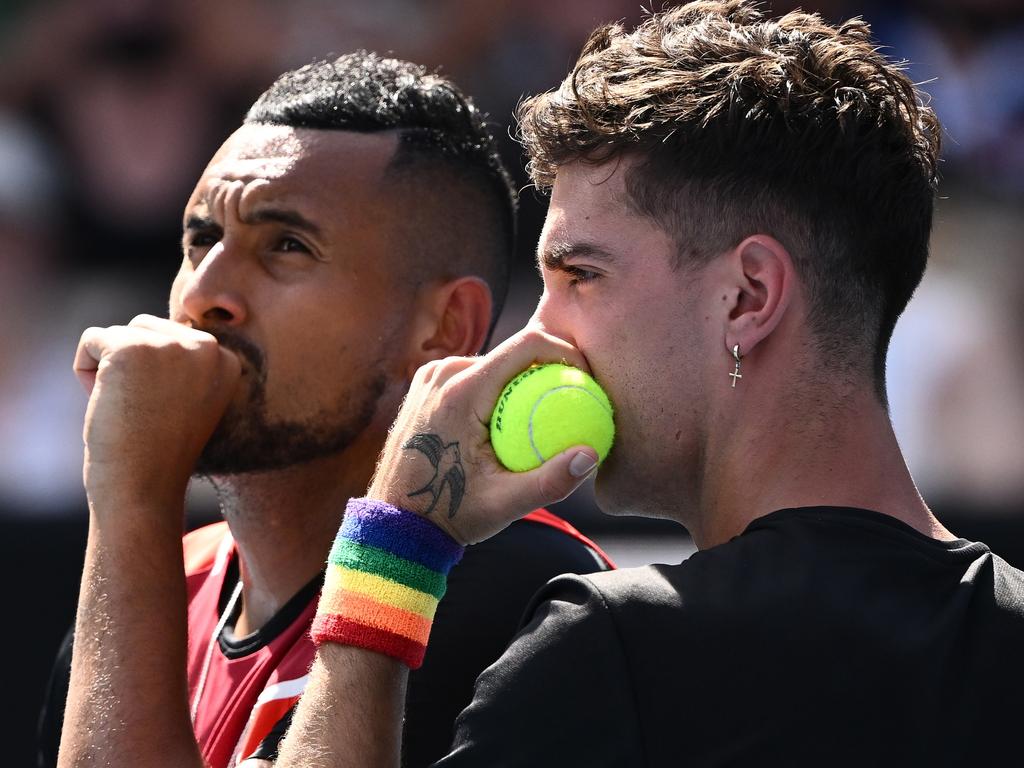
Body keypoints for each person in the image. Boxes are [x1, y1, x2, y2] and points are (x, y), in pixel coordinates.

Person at [266, 3, 1024, 766]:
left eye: (583, 276)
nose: (539, 336)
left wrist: (394, 542)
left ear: (749, 297)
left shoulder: (612, 650)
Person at [45, 52, 613, 768]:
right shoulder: (156, 577)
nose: (203, 296)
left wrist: (132, 499)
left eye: (286, 245)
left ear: (443, 328)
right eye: (200, 240)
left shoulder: (533, 605)